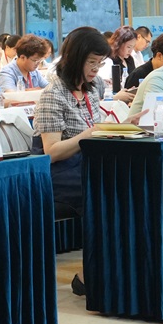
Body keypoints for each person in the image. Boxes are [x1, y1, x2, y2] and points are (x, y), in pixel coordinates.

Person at [34, 28, 112, 293]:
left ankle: (115, 268)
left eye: (100, 62)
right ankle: (90, 274)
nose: (96, 69)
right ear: (74, 58)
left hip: (88, 164)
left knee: (121, 186)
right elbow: (51, 152)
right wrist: (88, 134)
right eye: (91, 62)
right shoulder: (53, 94)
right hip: (59, 172)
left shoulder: (92, 89)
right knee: (104, 193)